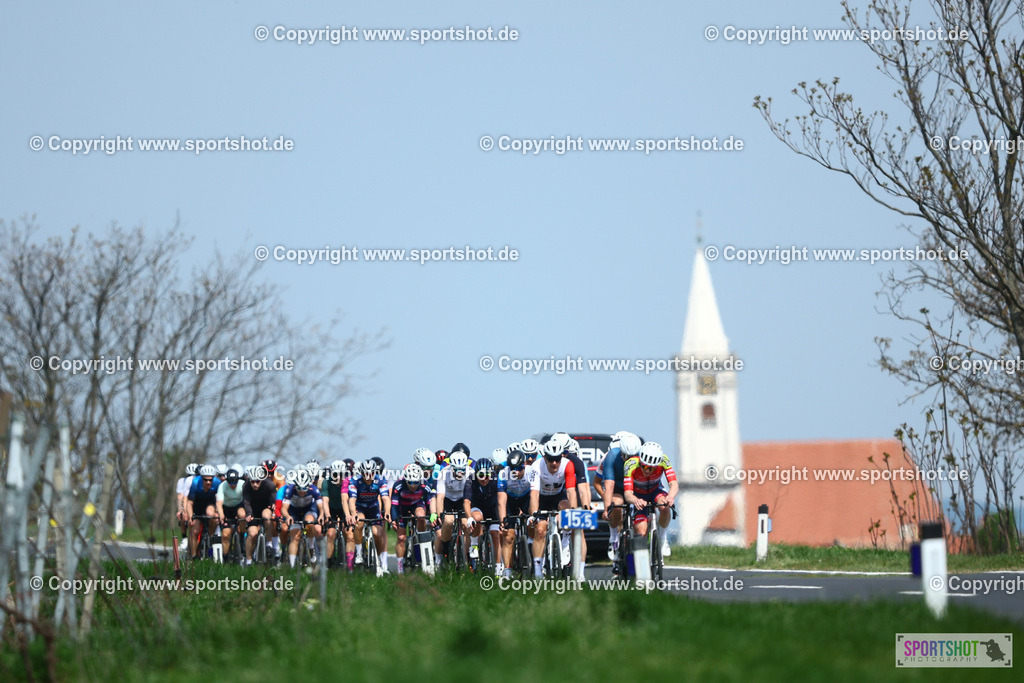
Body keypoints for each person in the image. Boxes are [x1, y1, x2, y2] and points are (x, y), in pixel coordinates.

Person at [529, 441, 578, 577]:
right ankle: (538, 569)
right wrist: (534, 515)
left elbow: (571, 492)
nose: (554, 463)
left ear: (561, 457)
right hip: (542, 498)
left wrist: (572, 511)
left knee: (567, 510)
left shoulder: (568, 465)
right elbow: (534, 494)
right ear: (545, 458)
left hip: (558, 496)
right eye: (551, 459)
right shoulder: (536, 466)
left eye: (557, 459)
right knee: (540, 530)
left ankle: (565, 542)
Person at [623, 442, 678, 543]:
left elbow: (674, 484)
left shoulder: (664, 461)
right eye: (644, 467)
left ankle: (662, 539)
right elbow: (627, 494)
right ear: (640, 462)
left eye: (652, 468)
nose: (647, 471)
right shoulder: (631, 464)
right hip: (638, 495)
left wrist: (670, 496)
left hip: (655, 491)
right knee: (642, 532)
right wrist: (636, 501)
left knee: (665, 507)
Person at [497, 449, 538, 578]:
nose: (517, 472)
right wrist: (504, 521)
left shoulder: (532, 472)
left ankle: (531, 543)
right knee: (508, 536)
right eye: (513, 469)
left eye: (519, 468)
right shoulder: (503, 474)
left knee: (533, 522)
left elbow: (534, 495)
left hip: (526, 498)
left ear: (524, 465)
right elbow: (501, 501)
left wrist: (533, 515)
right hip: (510, 500)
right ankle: (508, 569)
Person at [348, 460, 392, 575]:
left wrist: (387, 512)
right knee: (359, 523)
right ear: (361, 473)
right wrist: (353, 514)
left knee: (377, 534)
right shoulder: (355, 481)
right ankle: (358, 553)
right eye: (365, 474)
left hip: (373, 508)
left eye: (371, 474)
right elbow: (351, 500)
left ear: (374, 472)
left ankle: (377, 557)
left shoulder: (380, 480)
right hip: (360, 507)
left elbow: (386, 498)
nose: (368, 477)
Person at [390, 463, 434, 573]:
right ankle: (400, 569)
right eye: (410, 483)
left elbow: (429, 503)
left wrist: (433, 516)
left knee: (421, 516)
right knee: (401, 538)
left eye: (415, 483)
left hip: (417, 504)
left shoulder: (425, 484)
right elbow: (394, 505)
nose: (413, 485)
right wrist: (394, 520)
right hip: (402, 507)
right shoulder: (398, 485)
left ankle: (421, 536)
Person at [602, 432, 640, 560]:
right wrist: (607, 508)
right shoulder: (612, 456)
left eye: (633, 456)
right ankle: (613, 537)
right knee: (616, 505)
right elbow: (609, 486)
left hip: (635, 487)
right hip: (618, 487)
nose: (630, 460)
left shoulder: (641, 457)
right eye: (626, 456)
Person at [280, 470, 326, 568]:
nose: (301, 491)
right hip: (294, 510)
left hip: (309, 509)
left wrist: (321, 516)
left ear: (309, 486)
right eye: (299, 488)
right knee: (294, 536)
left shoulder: (314, 490)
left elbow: (321, 508)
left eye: (304, 488)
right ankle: (292, 566)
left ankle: (311, 548)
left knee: (309, 521)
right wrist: (287, 517)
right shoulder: (290, 490)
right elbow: (284, 508)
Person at [435, 450, 472, 566]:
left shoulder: (471, 473)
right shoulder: (443, 473)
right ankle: (446, 548)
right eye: (456, 469)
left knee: (466, 524)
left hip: (463, 499)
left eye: (462, 469)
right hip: (448, 499)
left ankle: (466, 556)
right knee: (448, 521)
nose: (459, 472)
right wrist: (440, 514)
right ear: (451, 467)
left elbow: (473, 495)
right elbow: (440, 497)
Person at [466, 457, 501, 574]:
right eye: (481, 475)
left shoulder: (497, 479)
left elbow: (502, 498)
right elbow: (466, 502)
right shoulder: (471, 480)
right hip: (477, 507)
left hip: (493, 508)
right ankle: (474, 544)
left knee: (496, 534)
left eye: (487, 475)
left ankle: (498, 568)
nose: (484, 479)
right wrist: (469, 517)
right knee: (477, 518)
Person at [242, 465, 276, 564]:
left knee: (266, 516)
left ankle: (269, 544)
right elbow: (246, 502)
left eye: (258, 481)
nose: (255, 484)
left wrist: (273, 505)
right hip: (253, 510)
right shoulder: (246, 486)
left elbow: (274, 499)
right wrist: (249, 514)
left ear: (262, 480)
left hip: (266, 508)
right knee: (252, 534)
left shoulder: (270, 484)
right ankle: (248, 561)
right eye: (253, 481)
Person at [185, 465, 222, 559]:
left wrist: (218, 513)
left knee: (211, 514)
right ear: (202, 478)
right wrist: (190, 517)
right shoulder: (195, 483)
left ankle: (210, 538)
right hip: (197, 506)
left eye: (210, 480)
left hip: (210, 504)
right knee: (194, 530)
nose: (208, 482)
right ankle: (193, 555)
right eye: (205, 480)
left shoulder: (217, 483)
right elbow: (189, 503)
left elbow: (219, 501)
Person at [215, 467, 247, 560]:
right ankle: (225, 557)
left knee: (242, 514)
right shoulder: (222, 486)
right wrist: (221, 516)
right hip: (226, 509)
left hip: (238, 506)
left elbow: (247, 500)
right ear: (227, 481)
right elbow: (219, 503)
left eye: (235, 482)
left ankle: (242, 536)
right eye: (231, 483)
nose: (233, 485)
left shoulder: (242, 484)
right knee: (225, 535)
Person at [176, 463, 198, 551]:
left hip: (195, 502)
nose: (191, 477)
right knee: (182, 517)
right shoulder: (182, 481)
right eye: (189, 475)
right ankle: (184, 536)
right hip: (186, 502)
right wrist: (180, 509)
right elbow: (180, 497)